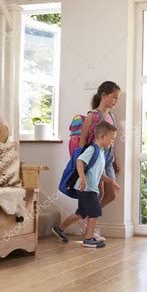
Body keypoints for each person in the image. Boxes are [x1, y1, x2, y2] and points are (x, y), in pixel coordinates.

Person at [52, 121, 120, 248]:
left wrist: (111, 181)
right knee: (95, 211)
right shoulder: (92, 149)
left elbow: (98, 174)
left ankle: (59, 228)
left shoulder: (100, 153)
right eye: (112, 139)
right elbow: (79, 161)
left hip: (89, 188)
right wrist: (82, 178)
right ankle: (88, 239)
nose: (112, 142)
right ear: (103, 136)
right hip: (86, 188)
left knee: (81, 213)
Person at [76, 81, 121, 240]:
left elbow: (112, 140)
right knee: (99, 193)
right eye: (114, 97)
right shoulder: (93, 115)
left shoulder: (112, 117)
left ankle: (86, 219)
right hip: (95, 160)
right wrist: (82, 162)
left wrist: (115, 159)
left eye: (117, 98)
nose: (116, 101)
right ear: (104, 95)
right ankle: (88, 225)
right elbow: (82, 140)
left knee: (111, 194)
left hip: (107, 160)